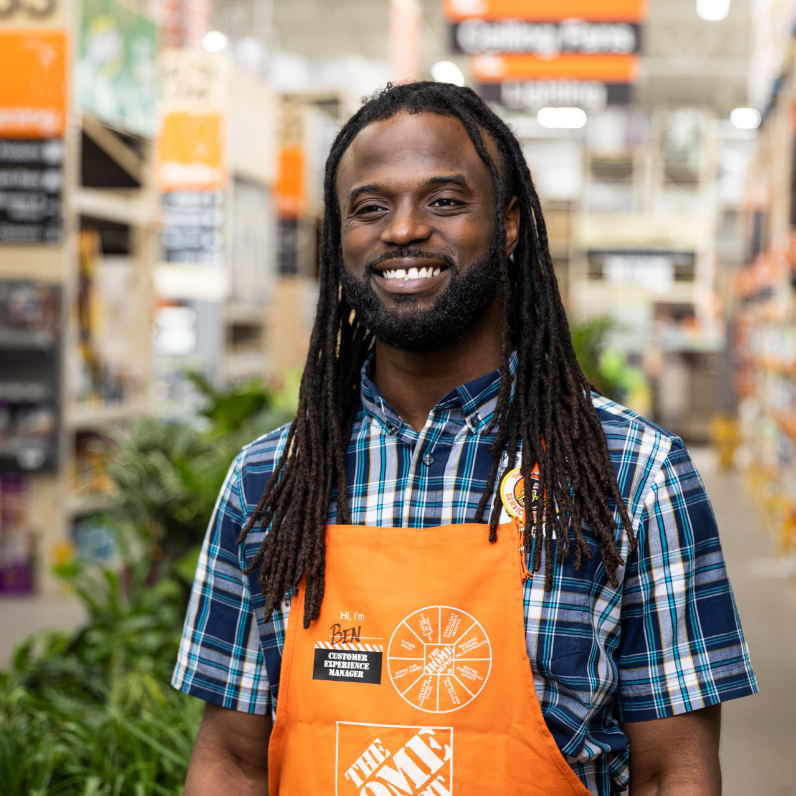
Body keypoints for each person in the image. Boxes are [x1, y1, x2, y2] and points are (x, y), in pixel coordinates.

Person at [173, 82, 757, 796]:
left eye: (444, 201)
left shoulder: (635, 475)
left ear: (509, 226)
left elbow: (675, 772)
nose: (404, 230)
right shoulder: (270, 480)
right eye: (370, 207)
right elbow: (231, 762)